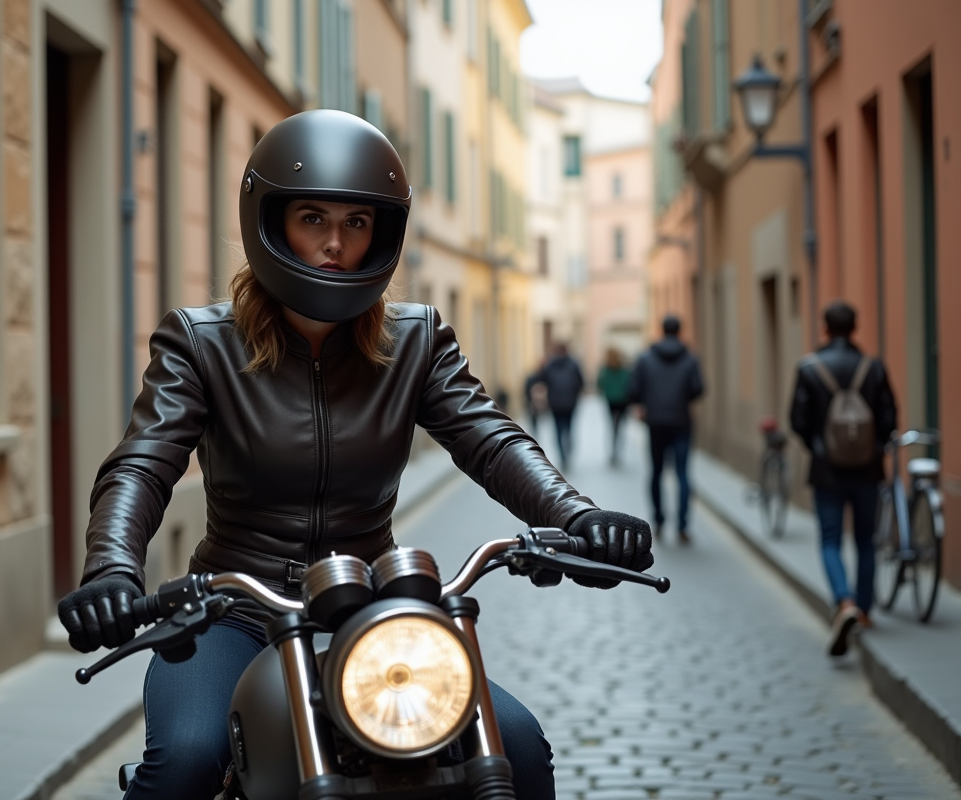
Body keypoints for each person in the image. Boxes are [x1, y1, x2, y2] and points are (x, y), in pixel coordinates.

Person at [56, 110, 654, 800]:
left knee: (516, 746)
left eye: (357, 222)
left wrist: (578, 518)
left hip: (373, 608)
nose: (335, 243)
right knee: (188, 759)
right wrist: (111, 569)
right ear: (272, 219)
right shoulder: (201, 343)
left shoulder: (416, 340)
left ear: (382, 233)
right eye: (313, 218)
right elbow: (144, 461)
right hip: (235, 612)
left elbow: (491, 440)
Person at [789, 300, 896, 657]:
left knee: (831, 538)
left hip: (827, 470)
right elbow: (888, 418)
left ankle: (843, 600)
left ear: (825, 328)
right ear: (854, 328)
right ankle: (864, 610)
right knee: (866, 540)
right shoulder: (874, 367)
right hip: (867, 470)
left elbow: (798, 420)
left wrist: (820, 448)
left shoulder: (809, 368)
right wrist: (874, 448)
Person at [628, 314, 704, 544]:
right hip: (681, 421)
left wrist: (645, 403)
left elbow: (633, 389)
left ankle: (659, 521)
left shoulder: (646, 357)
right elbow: (698, 389)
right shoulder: (690, 359)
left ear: (662, 330)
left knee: (657, 472)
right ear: (680, 331)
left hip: (656, 422)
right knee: (682, 473)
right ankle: (682, 526)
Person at [532, 342, 585, 470]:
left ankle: (563, 456)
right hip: (570, 403)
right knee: (569, 428)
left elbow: (541, 380)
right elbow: (581, 382)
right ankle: (568, 451)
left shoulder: (550, 364)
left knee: (558, 430)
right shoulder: (574, 364)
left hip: (555, 403)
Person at [597, 347, 632, 466]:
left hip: (611, 401)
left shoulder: (605, 369)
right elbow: (630, 384)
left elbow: (600, 383)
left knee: (612, 426)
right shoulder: (624, 369)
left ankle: (613, 450)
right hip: (623, 401)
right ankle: (617, 449)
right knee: (620, 426)